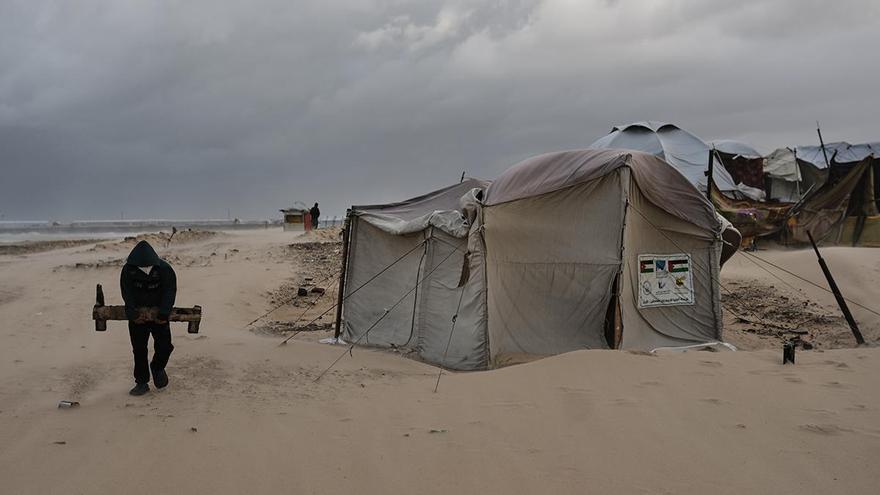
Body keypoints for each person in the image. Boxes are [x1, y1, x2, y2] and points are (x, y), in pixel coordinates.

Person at [120, 240, 177, 396]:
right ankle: (141, 382)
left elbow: (170, 292)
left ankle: (158, 367)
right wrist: (133, 315)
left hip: (160, 316)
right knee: (139, 350)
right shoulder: (128, 270)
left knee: (165, 346)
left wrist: (164, 314)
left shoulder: (165, 269)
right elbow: (127, 294)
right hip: (138, 318)